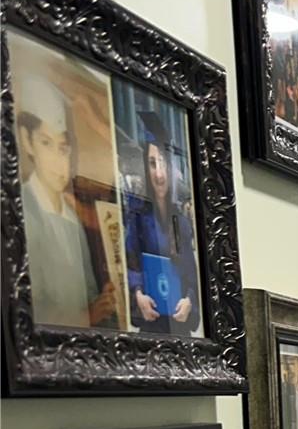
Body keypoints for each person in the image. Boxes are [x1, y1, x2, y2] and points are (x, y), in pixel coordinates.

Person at [14, 73, 118, 330]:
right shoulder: (22, 209)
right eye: (46, 143)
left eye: (63, 147)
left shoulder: (72, 217)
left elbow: (89, 292)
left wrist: (104, 300)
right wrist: (88, 315)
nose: (59, 161)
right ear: (27, 141)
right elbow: (26, 314)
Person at [123, 110, 199, 337]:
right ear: (145, 169)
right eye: (152, 163)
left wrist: (190, 301)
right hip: (151, 325)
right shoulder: (137, 217)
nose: (159, 173)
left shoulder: (181, 222)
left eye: (163, 163)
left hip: (179, 327)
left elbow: (191, 273)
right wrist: (138, 296)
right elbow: (131, 261)